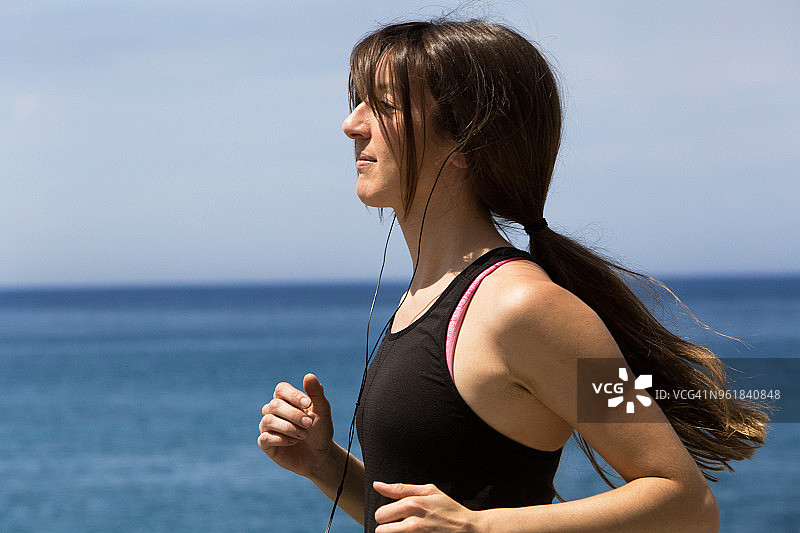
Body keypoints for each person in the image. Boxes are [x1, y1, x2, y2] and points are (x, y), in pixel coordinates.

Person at [258, 19, 768, 532]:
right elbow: (415, 517)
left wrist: (482, 528)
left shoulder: (525, 308)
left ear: (464, 139)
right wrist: (323, 465)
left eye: (384, 106)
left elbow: (686, 503)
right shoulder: (426, 298)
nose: (351, 124)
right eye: (358, 101)